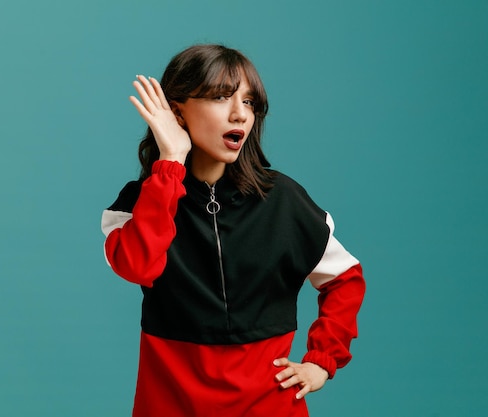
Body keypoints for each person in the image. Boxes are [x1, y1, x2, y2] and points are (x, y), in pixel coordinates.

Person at [101, 44, 365, 417]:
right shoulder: (137, 204)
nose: (240, 114)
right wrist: (171, 161)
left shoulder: (284, 201)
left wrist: (322, 360)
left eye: (250, 102)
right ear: (177, 112)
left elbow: (345, 278)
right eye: (221, 97)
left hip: (269, 406)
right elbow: (138, 267)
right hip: (170, 404)